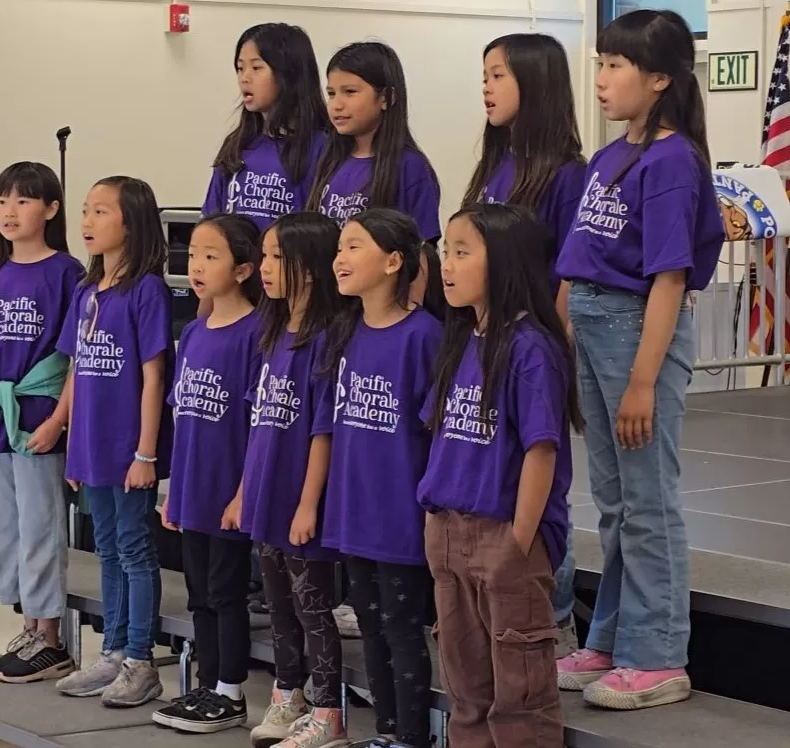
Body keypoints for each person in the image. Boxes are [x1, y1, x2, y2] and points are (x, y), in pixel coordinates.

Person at [554, 9, 724, 710]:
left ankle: (658, 655)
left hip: (634, 332)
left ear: (659, 78)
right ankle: (614, 635)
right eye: (600, 62)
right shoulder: (610, 155)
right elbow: (576, 264)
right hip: (594, 325)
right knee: (617, 502)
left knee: (649, 502)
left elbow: (669, 277)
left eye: (617, 66)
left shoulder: (672, 161)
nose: (601, 78)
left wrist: (644, 381)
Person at [420, 203, 583, 747]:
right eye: (446, 251)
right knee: (466, 685)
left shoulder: (531, 348)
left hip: (504, 534)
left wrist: (519, 539)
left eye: (463, 252)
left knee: (520, 693)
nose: (448, 264)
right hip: (450, 530)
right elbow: (441, 435)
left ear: (507, 262)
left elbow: (542, 450)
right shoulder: (461, 341)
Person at [462, 32, 588, 658]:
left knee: (540, 475)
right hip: (484, 342)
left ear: (535, 84)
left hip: (531, 345)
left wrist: (549, 340)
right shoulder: (495, 165)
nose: (486, 87)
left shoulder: (566, 174)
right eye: (483, 75)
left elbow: (571, 267)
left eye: (499, 76)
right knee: (493, 469)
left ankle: (554, 619)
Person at [0, 161, 84, 683]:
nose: (10, 211)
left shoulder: (66, 272)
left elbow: (75, 357)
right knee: (4, 528)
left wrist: (57, 420)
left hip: (35, 417)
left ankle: (51, 637)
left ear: (50, 210)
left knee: (40, 526)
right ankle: (28, 626)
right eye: (2, 199)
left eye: (24, 200)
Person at [323, 209, 441, 748]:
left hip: (398, 511)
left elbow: (434, 430)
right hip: (353, 506)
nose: (340, 259)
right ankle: (387, 731)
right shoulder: (343, 332)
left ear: (394, 262)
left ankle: (412, 737)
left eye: (353, 247)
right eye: (340, 249)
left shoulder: (424, 336)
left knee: (399, 624)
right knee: (368, 624)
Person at [228, 212, 347, 748]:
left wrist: (308, 504)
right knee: (277, 603)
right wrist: (242, 491)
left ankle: (328, 712)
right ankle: (287, 693)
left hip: (301, 496)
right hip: (266, 489)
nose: (268, 268)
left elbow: (322, 432)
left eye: (280, 258)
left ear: (314, 267)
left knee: (311, 605)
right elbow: (259, 421)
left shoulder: (326, 339)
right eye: (267, 256)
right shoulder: (273, 331)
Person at [55, 176, 174, 709]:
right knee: (104, 547)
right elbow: (79, 371)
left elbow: (154, 377)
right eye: (85, 210)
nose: (87, 221)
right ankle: (112, 650)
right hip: (91, 446)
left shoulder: (146, 291)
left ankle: (140, 660)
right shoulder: (85, 292)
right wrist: (72, 441)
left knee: (134, 549)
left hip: (129, 450)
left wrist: (146, 453)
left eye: (101, 212)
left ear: (132, 222)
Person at [153, 215, 264, 734]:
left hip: (229, 494)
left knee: (225, 592)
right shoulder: (194, 332)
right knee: (198, 593)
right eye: (193, 254)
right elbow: (183, 415)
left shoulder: (256, 335)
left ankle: (230, 692)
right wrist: (172, 489)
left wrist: (243, 493)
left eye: (211, 256)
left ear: (244, 269)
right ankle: (206, 682)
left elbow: (257, 426)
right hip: (192, 491)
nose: (196, 265)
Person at [306, 42, 441, 243]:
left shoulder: (410, 166)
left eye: (350, 92)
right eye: (332, 93)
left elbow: (423, 247)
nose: (337, 105)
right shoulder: (328, 159)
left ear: (386, 98)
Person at [204, 22, 328, 232]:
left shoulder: (322, 147)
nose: (244, 78)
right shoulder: (238, 144)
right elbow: (211, 219)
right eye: (240, 68)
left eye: (256, 68)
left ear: (288, 74)